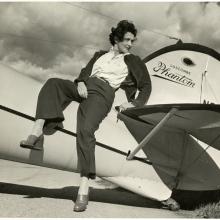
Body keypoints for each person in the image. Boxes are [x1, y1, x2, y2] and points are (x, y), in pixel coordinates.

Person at [19, 20, 152, 212]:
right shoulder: (99, 55)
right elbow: (84, 72)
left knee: (86, 130)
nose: (130, 44)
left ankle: (84, 187)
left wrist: (134, 103)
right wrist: (80, 82)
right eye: (127, 40)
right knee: (53, 83)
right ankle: (37, 132)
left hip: (103, 93)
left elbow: (146, 86)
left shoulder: (133, 60)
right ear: (116, 38)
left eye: (133, 41)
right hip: (85, 87)